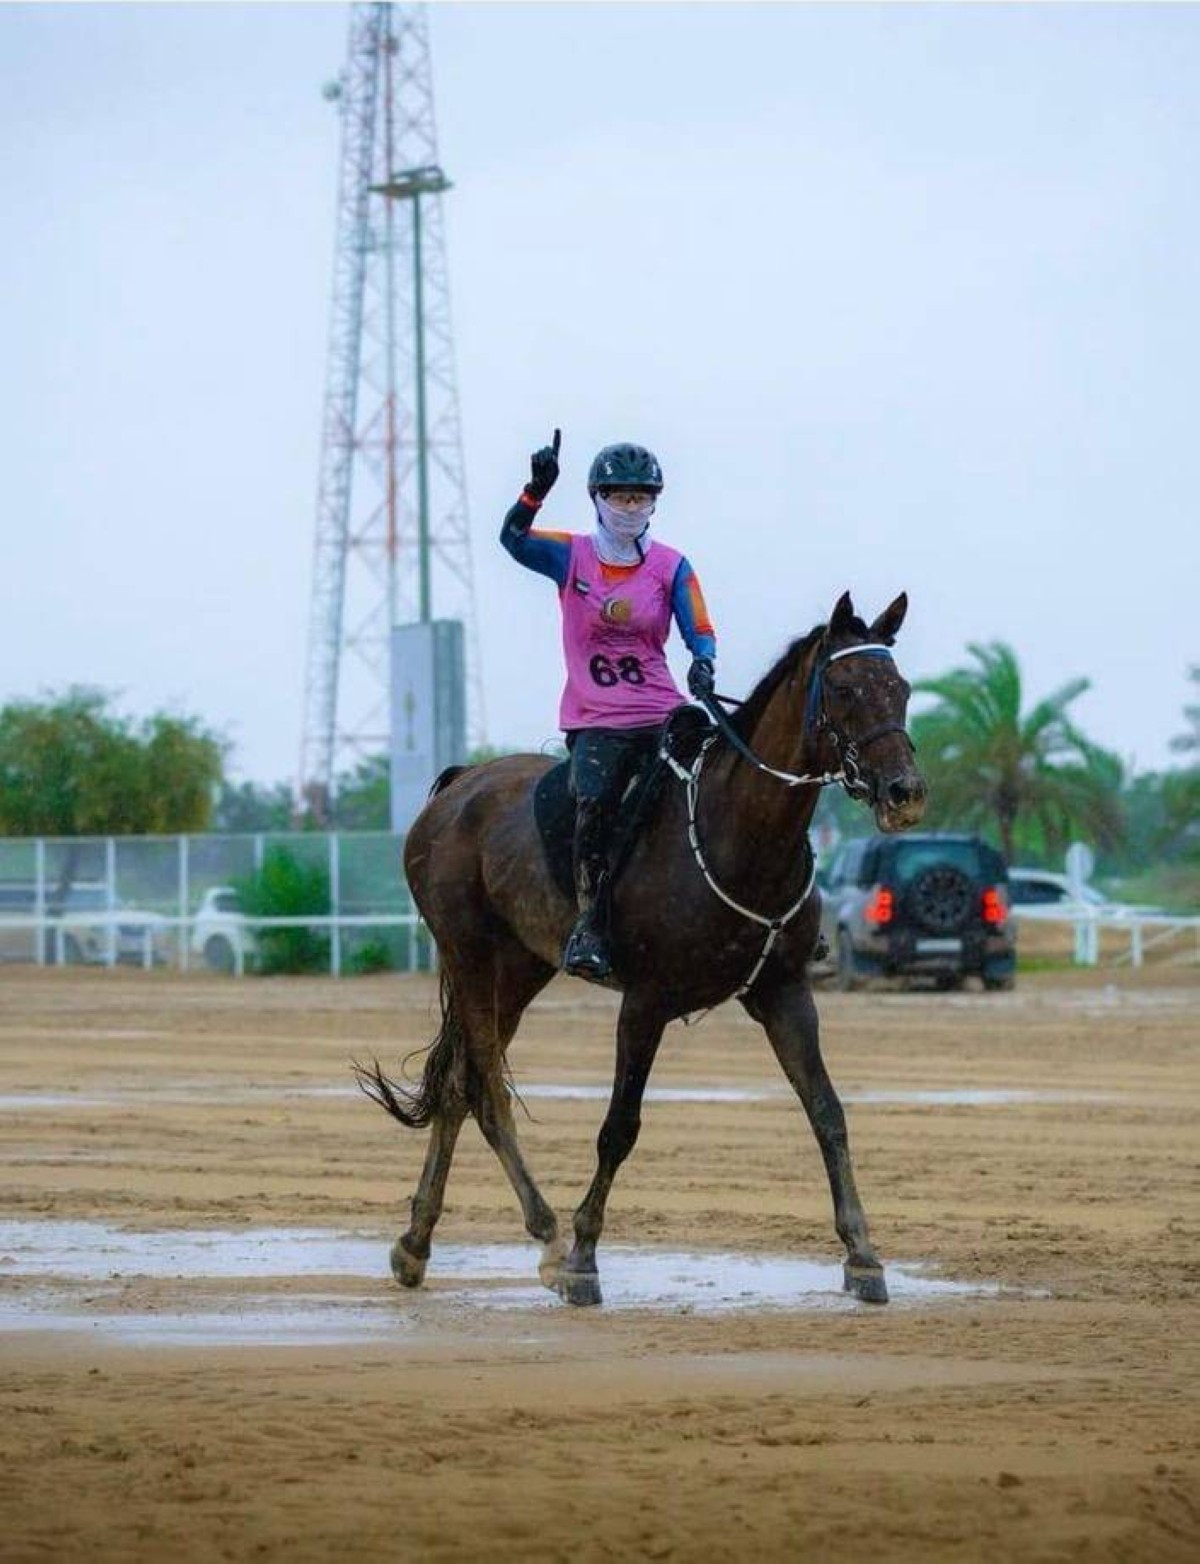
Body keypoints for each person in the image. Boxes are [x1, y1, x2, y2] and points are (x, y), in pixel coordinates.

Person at [500, 430, 717, 979]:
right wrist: (534, 490)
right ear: (598, 498)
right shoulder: (568, 555)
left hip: (661, 709)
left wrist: (704, 660)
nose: (630, 506)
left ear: (654, 502)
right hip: (597, 719)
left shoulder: (671, 566)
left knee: (720, 784)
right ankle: (590, 924)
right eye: (620, 496)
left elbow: (700, 625)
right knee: (594, 800)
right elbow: (513, 539)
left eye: (641, 497)